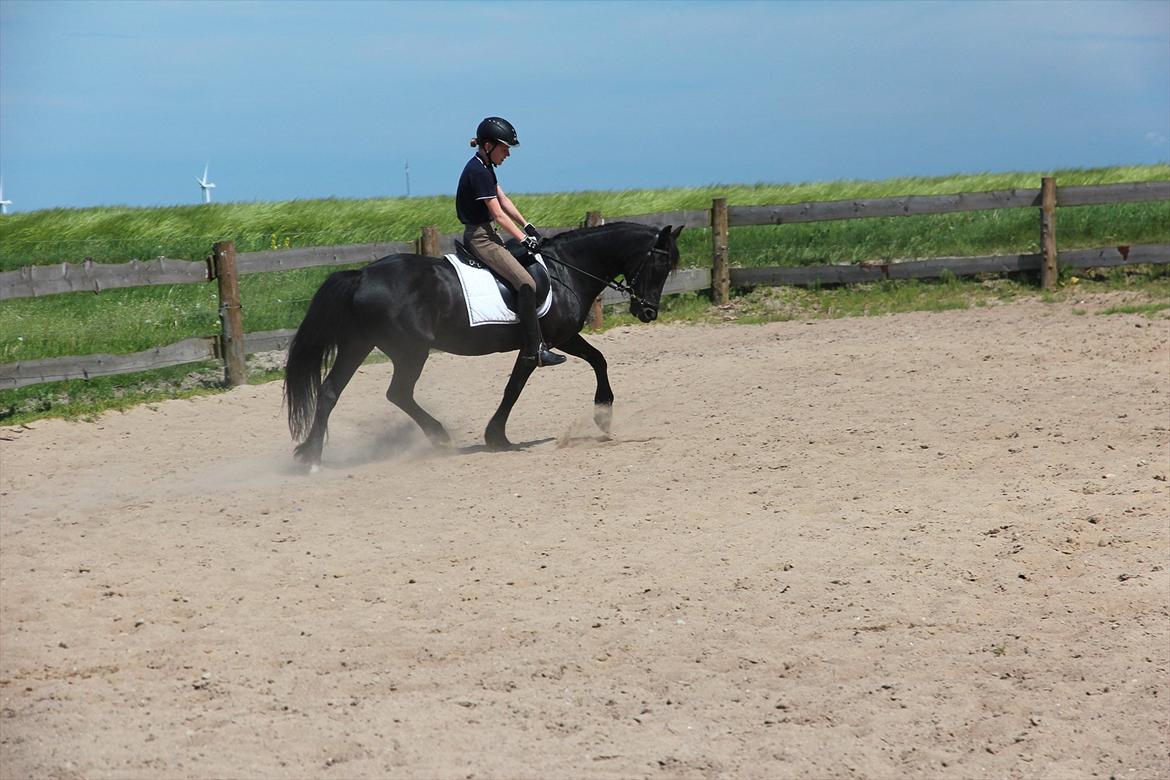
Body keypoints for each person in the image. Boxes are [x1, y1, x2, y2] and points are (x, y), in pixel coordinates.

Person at [456, 117, 565, 367]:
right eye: (504, 148)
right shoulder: (477, 171)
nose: (507, 154)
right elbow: (498, 214)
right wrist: (524, 240)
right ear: (488, 145)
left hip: (490, 234)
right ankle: (535, 348)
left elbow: (504, 200)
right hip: (481, 238)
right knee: (526, 283)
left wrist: (527, 225)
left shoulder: (484, 166)